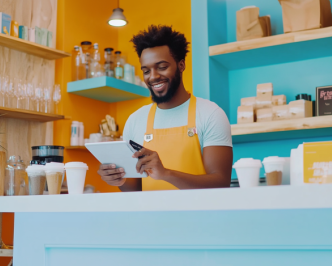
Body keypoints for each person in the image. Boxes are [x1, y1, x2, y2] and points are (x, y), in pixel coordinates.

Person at [97, 25, 233, 191]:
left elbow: (220, 182)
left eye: (162, 67)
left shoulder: (210, 114)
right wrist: (119, 179)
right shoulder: (135, 120)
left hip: (199, 216)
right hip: (152, 217)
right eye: (146, 71)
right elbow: (135, 189)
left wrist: (166, 174)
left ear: (181, 65)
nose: (153, 76)